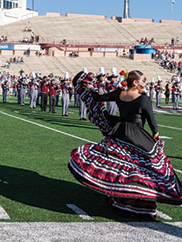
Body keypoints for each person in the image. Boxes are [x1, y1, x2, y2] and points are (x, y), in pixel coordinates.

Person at [69, 70, 182, 218]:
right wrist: (155, 133)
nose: (145, 83)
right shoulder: (143, 99)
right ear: (135, 83)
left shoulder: (118, 93)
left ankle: (118, 198)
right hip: (137, 135)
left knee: (121, 167)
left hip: (120, 131)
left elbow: (97, 97)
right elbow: (151, 120)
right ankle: (137, 204)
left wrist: (90, 88)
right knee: (143, 169)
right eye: (143, 80)